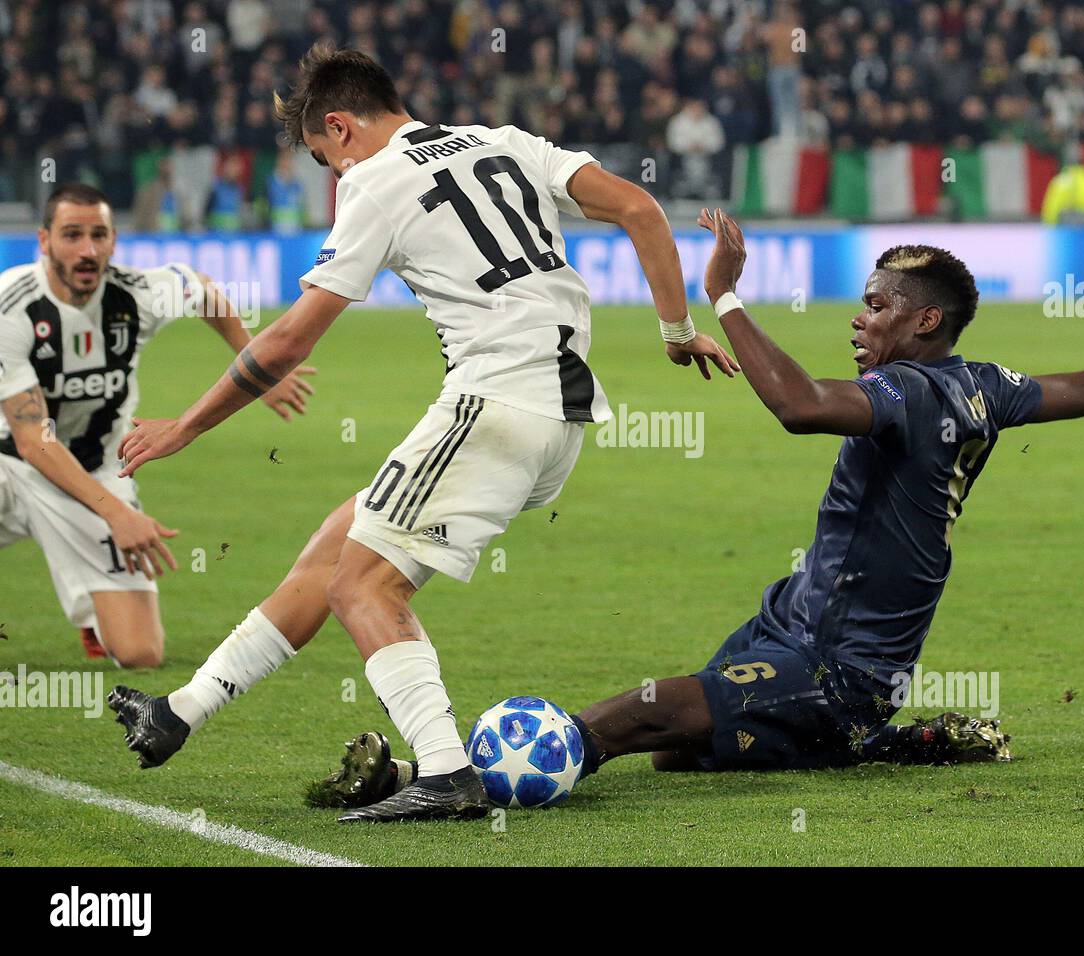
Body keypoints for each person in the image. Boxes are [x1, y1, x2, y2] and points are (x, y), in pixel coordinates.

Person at [311, 209, 1084, 807]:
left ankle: (421, 779)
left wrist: (726, 301)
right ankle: (886, 739)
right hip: (796, 628)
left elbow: (795, 405)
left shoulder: (910, 396)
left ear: (924, 322)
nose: (858, 316)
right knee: (676, 754)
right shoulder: (982, 384)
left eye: (874, 305)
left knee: (627, 715)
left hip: (833, 662)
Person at [107, 44, 737, 822]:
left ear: (339, 126)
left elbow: (289, 340)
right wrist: (676, 331)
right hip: (558, 412)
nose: (333, 177)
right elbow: (641, 209)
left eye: (323, 159)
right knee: (336, 551)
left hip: (494, 401)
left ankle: (444, 771)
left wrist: (185, 428)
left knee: (361, 586)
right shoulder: (506, 142)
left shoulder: (372, 182)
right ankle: (182, 711)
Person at [0, 183, 315, 666]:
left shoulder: (137, 294)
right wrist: (118, 515)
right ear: (44, 241)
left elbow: (202, 288)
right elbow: (32, 441)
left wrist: (256, 367)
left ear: (113, 240)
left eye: (99, 235)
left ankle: (94, 615)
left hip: (94, 473)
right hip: (10, 465)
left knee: (140, 653)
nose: (87, 250)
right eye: (72, 235)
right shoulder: (13, 306)